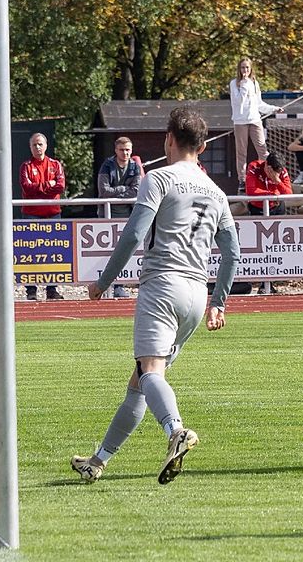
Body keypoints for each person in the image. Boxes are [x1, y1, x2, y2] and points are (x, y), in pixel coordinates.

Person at [70, 106, 241, 485]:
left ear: (169, 139)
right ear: (201, 145)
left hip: (162, 285)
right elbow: (232, 253)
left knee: (150, 371)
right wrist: (220, 302)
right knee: (140, 382)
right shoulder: (216, 192)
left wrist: (103, 282)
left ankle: (176, 431)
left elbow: (132, 235)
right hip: (197, 295)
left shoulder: (158, 178)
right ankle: (98, 460)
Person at [20, 132, 66, 301]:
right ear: (30, 147)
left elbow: (60, 186)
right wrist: (48, 185)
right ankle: (31, 290)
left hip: (53, 214)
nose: (37, 147)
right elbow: (27, 187)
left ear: (46, 146)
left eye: (40, 144)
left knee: (54, 251)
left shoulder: (55, 164)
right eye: (34, 145)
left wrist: (40, 188)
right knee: (30, 252)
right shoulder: (26, 166)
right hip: (31, 215)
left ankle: (51, 289)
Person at [97, 136, 144, 299]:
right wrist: (125, 189)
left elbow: (137, 190)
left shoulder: (134, 166)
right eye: (122, 150)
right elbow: (104, 191)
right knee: (106, 251)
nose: (125, 153)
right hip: (107, 215)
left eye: (128, 150)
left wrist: (117, 191)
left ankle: (119, 285)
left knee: (125, 251)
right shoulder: (107, 165)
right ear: (115, 150)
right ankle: (104, 285)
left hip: (129, 214)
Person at [230, 58, 281, 191]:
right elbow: (238, 102)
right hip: (240, 121)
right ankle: (242, 180)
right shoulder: (234, 83)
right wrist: (243, 85)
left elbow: (259, 104)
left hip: (254, 120)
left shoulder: (254, 83)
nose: (245, 70)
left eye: (247, 68)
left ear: (251, 69)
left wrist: (273, 108)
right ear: (239, 69)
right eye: (242, 68)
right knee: (241, 152)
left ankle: (269, 174)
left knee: (262, 149)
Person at [245, 151, 292, 216]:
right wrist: (272, 195)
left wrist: (278, 182)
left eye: (278, 173)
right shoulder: (254, 167)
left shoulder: (282, 171)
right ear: (266, 164)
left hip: (277, 206)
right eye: (272, 172)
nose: (274, 175)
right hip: (257, 207)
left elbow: (288, 194)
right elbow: (250, 191)